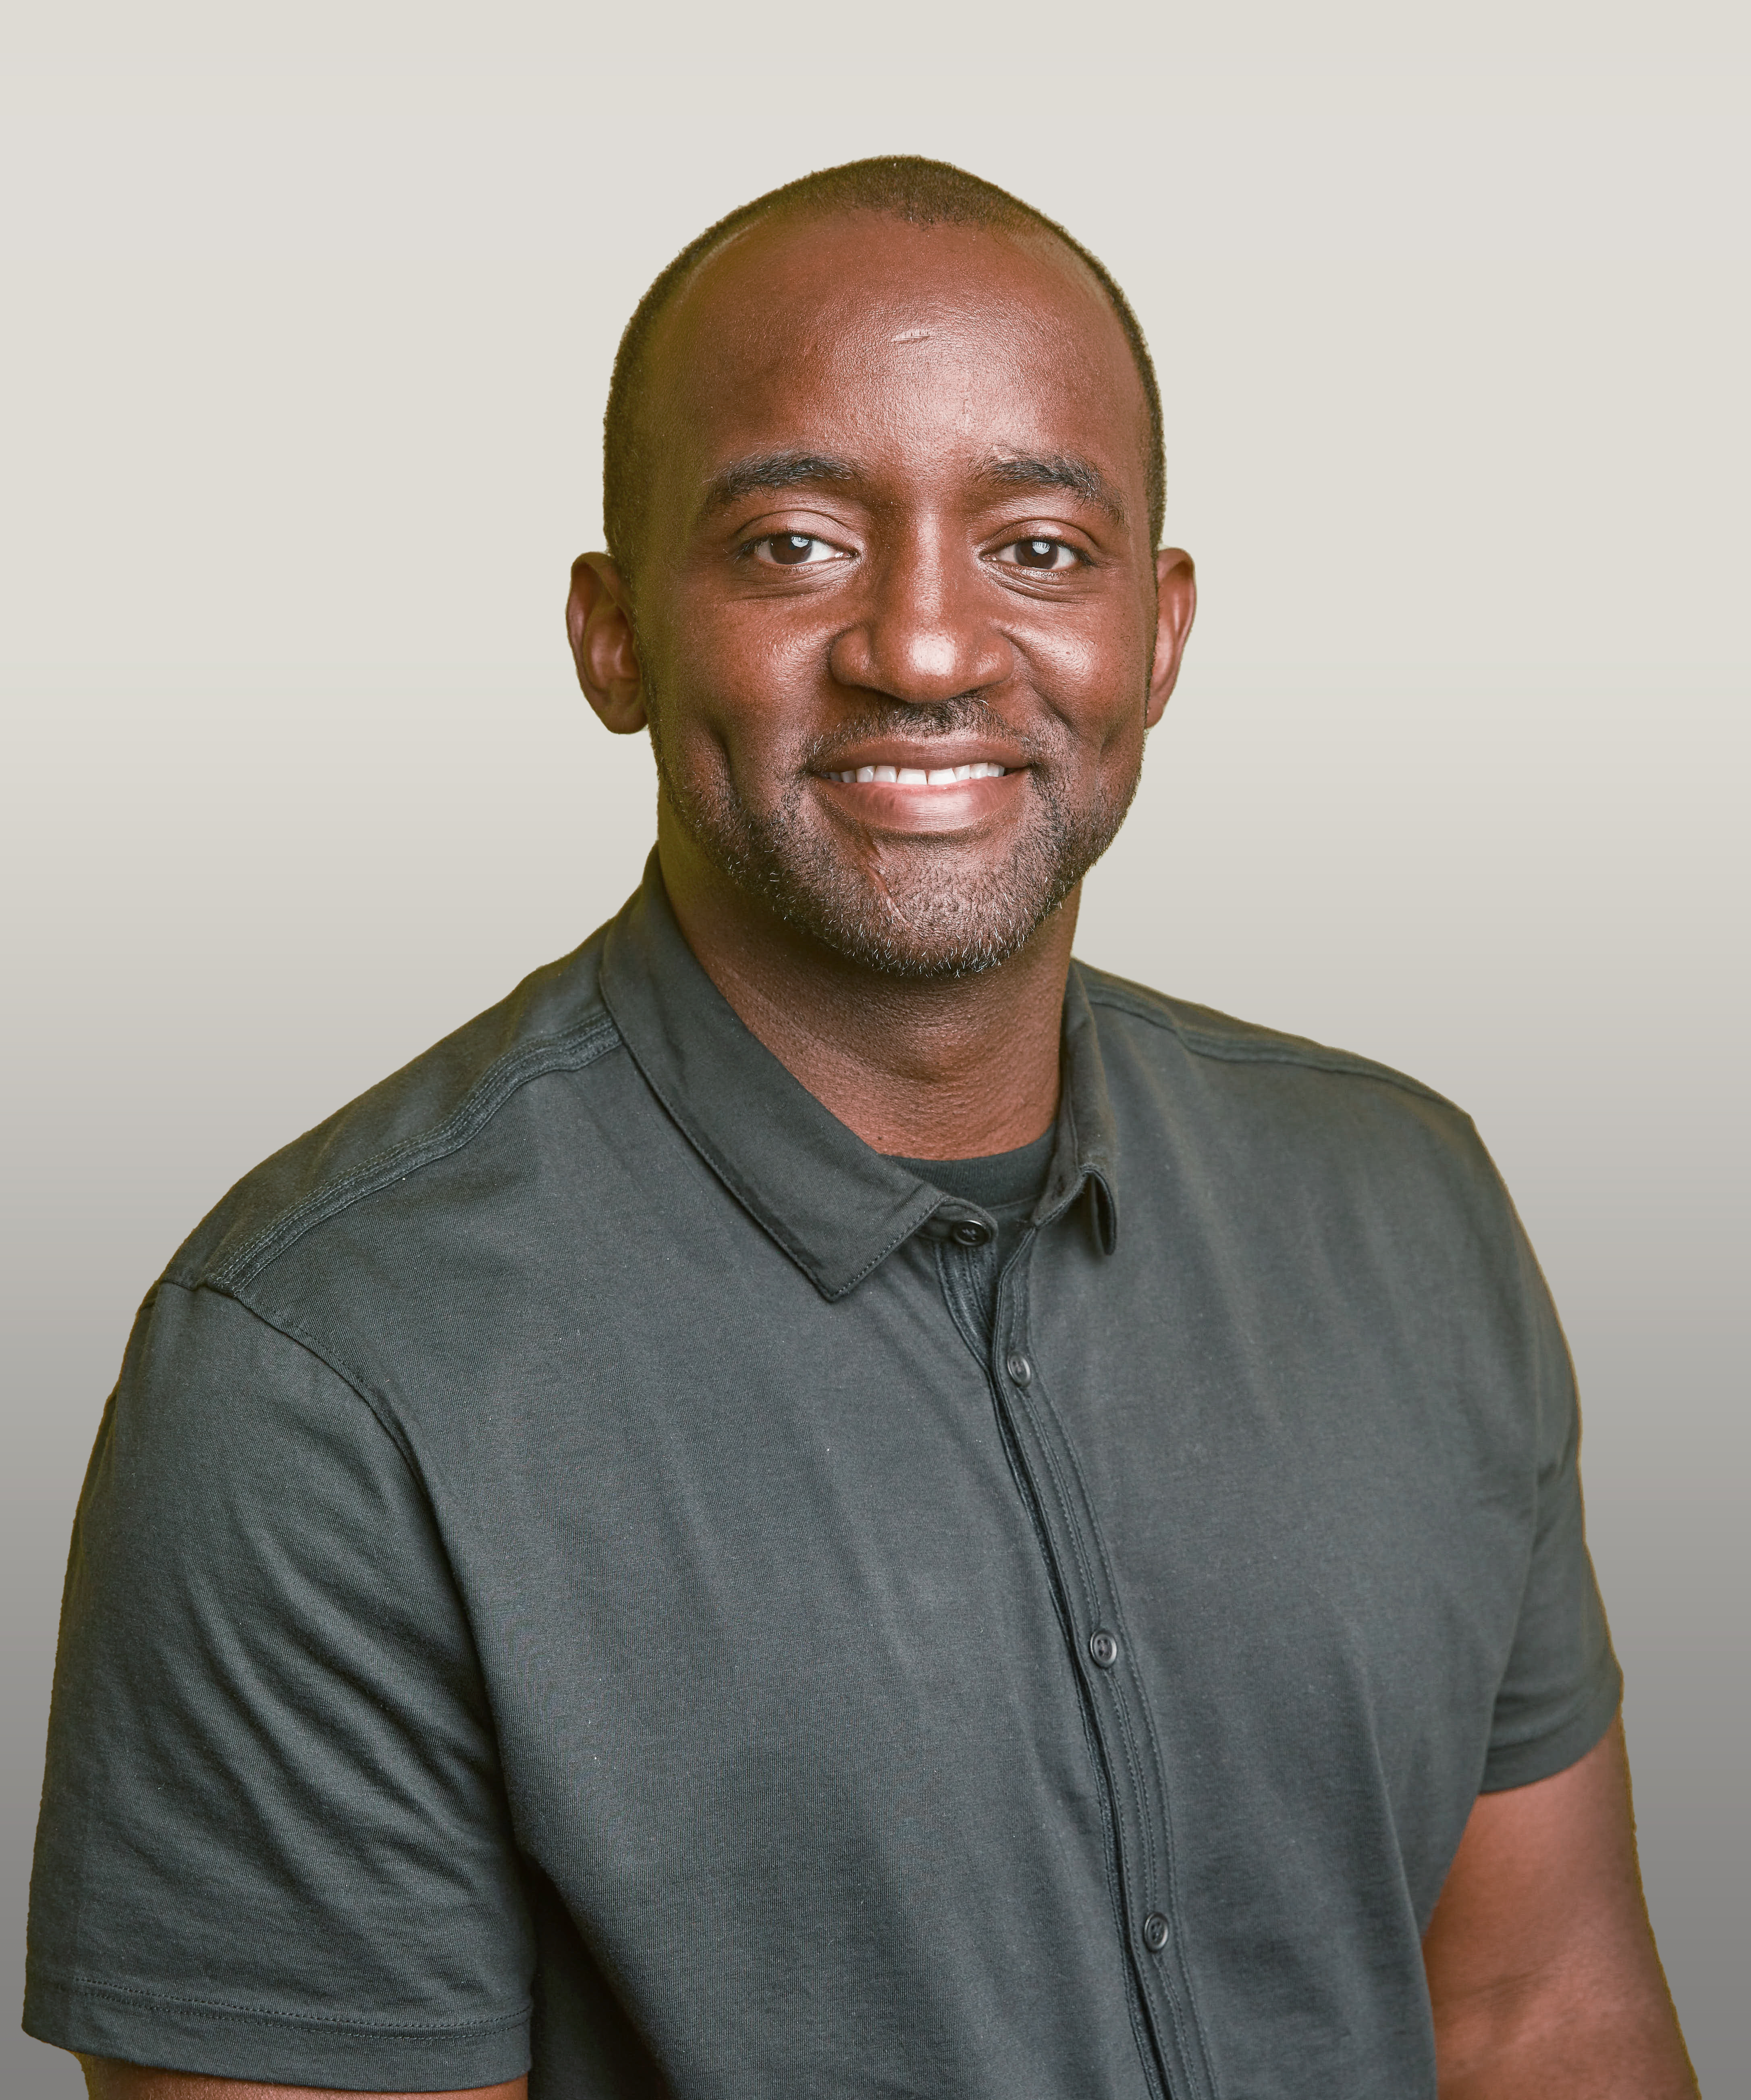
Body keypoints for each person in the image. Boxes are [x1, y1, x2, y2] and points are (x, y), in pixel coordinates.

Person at [25, 156, 1695, 2100]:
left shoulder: (1409, 1207)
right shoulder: (324, 1374)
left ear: (1156, 638)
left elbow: (1536, 2012)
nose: (925, 646)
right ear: (612, 633)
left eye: (1039, 550)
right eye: (798, 543)